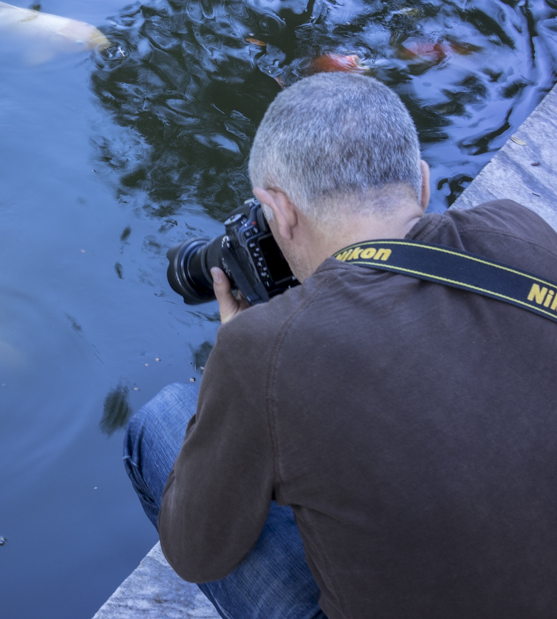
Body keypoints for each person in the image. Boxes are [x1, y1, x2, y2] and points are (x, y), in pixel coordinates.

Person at [123, 72, 557, 619]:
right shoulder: (518, 229)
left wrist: (231, 364)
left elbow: (197, 554)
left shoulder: (265, 348)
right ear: (421, 184)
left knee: (161, 422)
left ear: (277, 212)